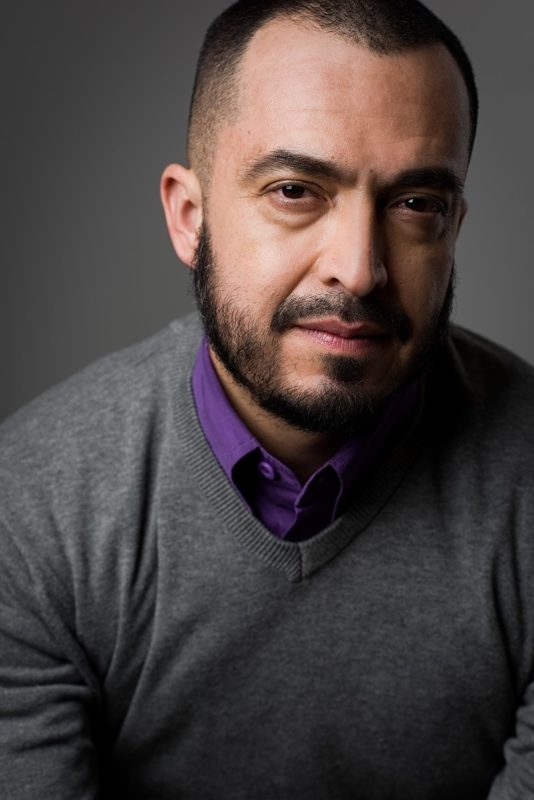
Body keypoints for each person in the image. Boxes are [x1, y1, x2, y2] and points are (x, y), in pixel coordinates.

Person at [1, 0, 533, 797]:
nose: (357, 270)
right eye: (296, 190)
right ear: (190, 216)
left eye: (415, 204)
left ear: (453, 225)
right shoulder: (29, 509)